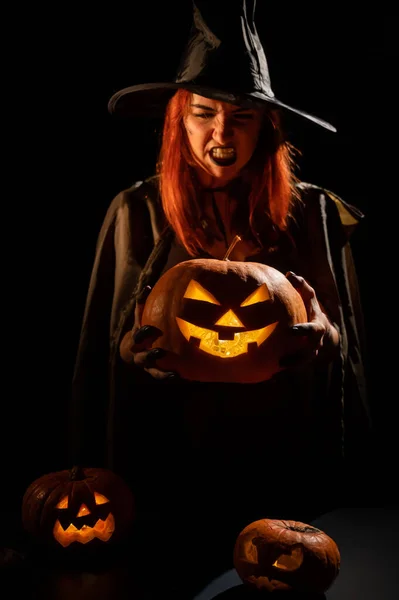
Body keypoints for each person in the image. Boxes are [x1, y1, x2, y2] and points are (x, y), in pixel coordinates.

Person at [69, 0, 373, 588]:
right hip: (173, 459)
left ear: (267, 127)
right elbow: (99, 353)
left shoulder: (313, 212)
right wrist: (133, 353)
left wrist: (325, 338)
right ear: (178, 122)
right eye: (203, 114)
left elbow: (350, 349)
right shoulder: (137, 210)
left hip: (282, 460)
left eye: (241, 117)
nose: (220, 133)